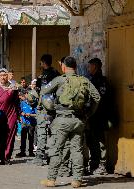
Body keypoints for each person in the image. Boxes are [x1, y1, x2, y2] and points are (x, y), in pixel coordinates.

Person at [40, 56, 100, 188]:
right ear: (76, 67)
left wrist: (49, 108)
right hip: (78, 120)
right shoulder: (84, 80)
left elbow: (44, 91)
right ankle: (77, 180)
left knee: (57, 149)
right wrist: (89, 113)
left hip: (62, 119)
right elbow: (97, 97)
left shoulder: (60, 80)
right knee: (77, 150)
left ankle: (51, 179)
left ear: (63, 66)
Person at [30, 54, 60, 166]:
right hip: (55, 108)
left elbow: (38, 92)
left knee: (42, 131)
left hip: (44, 108)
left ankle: (40, 156)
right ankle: (53, 156)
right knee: (54, 133)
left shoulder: (43, 77)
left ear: (43, 62)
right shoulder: (57, 74)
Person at [86, 58, 109, 175]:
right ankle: (94, 163)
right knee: (91, 140)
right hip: (91, 115)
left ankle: (102, 164)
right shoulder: (91, 80)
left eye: (90, 66)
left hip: (99, 115)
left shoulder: (101, 81)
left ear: (95, 66)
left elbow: (101, 99)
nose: (88, 68)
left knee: (100, 141)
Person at [0, 68, 19, 165]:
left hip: (11, 115)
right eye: (1, 75)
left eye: (5, 75)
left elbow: (17, 102)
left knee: (9, 136)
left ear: (8, 76)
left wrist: (18, 115)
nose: (3, 77)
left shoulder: (13, 88)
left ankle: (6, 157)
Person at [15, 90, 37, 158]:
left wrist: (30, 114)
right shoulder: (22, 103)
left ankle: (31, 152)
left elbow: (36, 114)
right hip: (24, 123)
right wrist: (22, 114)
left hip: (31, 123)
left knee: (31, 138)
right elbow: (20, 111)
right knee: (23, 138)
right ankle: (22, 152)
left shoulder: (34, 104)